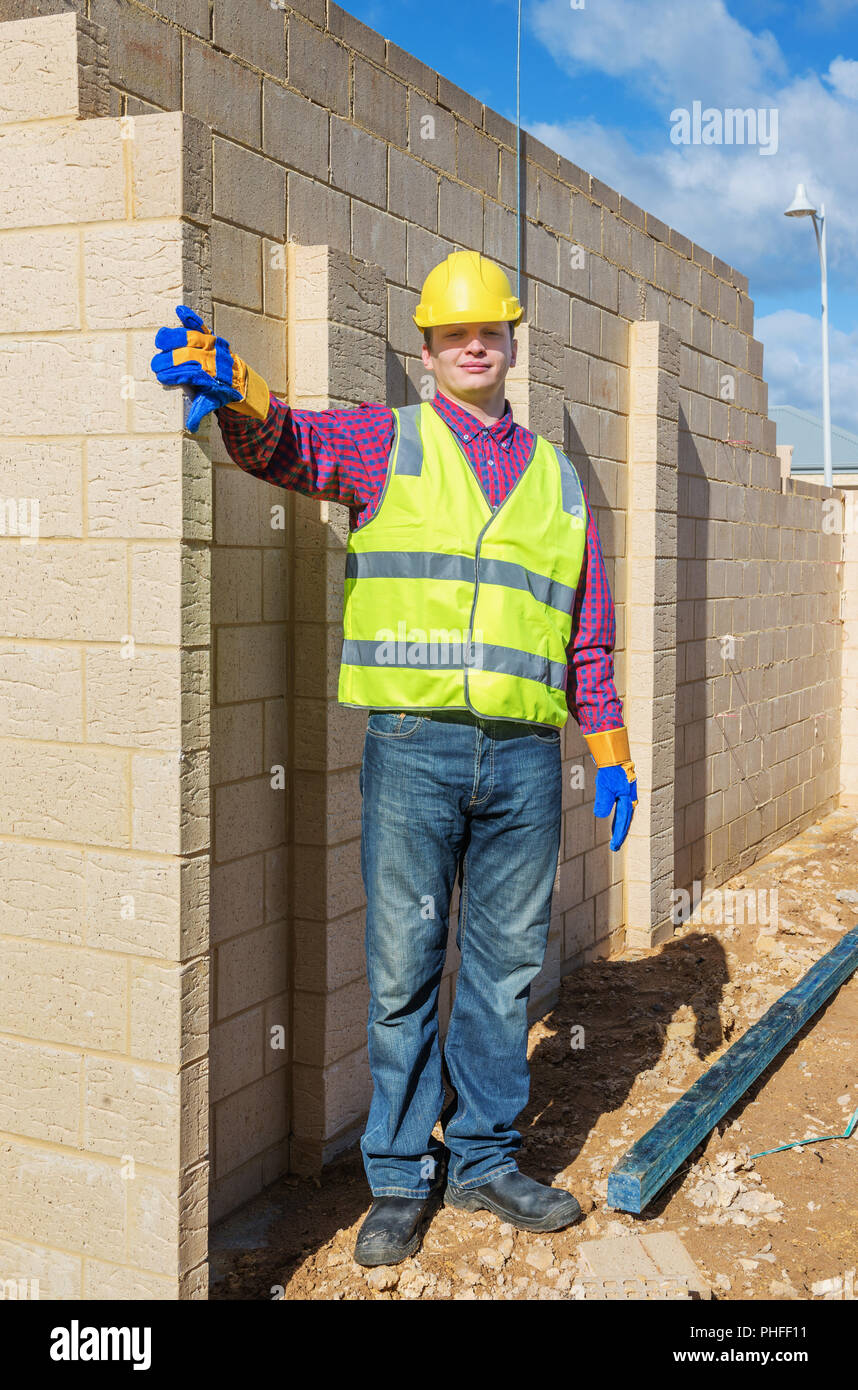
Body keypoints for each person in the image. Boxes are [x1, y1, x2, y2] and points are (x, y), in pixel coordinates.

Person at [151, 249, 638, 1269]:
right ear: (426, 351)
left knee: (505, 973)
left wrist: (611, 755)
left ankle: (488, 1160)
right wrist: (240, 394)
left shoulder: (556, 478)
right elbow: (292, 448)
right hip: (413, 753)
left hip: (522, 764)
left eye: (490, 331)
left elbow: (586, 637)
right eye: (456, 332)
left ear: (509, 346)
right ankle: (400, 1176)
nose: (475, 344)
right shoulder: (388, 444)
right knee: (403, 972)